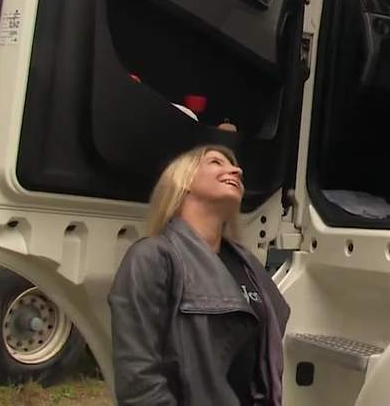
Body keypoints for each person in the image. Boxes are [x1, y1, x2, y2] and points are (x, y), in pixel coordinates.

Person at [108, 145, 289, 406]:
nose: (236, 170)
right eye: (216, 162)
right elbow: (138, 379)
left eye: (234, 165)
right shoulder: (153, 257)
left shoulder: (247, 265)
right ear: (183, 181)